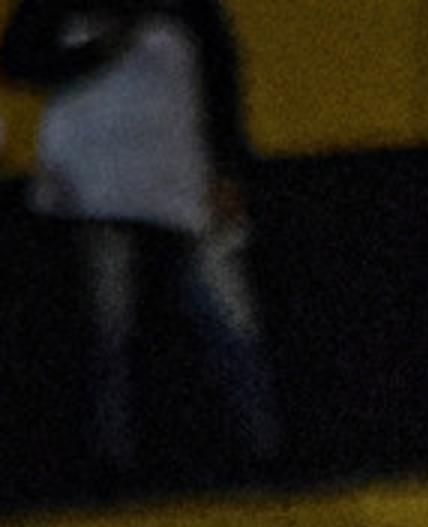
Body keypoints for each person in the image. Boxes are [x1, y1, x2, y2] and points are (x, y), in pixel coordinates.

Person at [1, 0, 277, 484]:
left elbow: (221, 80)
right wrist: (98, 50)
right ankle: (111, 462)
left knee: (225, 319)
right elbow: (18, 62)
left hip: (178, 185)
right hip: (95, 190)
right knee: (107, 328)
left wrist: (228, 171)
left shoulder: (188, 8)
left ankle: (262, 450)